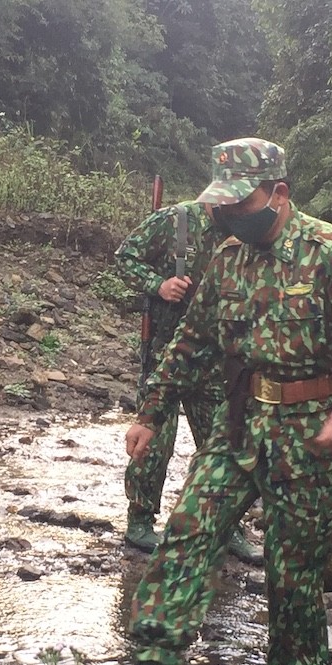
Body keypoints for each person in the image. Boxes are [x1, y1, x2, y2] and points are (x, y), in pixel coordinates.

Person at [99, 137, 332, 665]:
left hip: (311, 429)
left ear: (278, 193)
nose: (225, 214)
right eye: (220, 204)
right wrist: (150, 411)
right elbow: (190, 339)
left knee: (294, 559)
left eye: (239, 202)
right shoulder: (228, 259)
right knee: (189, 528)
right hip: (240, 419)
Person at [112, 195, 236, 553]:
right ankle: (140, 521)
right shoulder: (175, 220)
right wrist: (159, 284)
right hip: (165, 352)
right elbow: (125, 258)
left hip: (214, 359)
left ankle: (229, 525)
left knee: (221, 443)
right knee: (155, 441)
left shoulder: (241, 233)